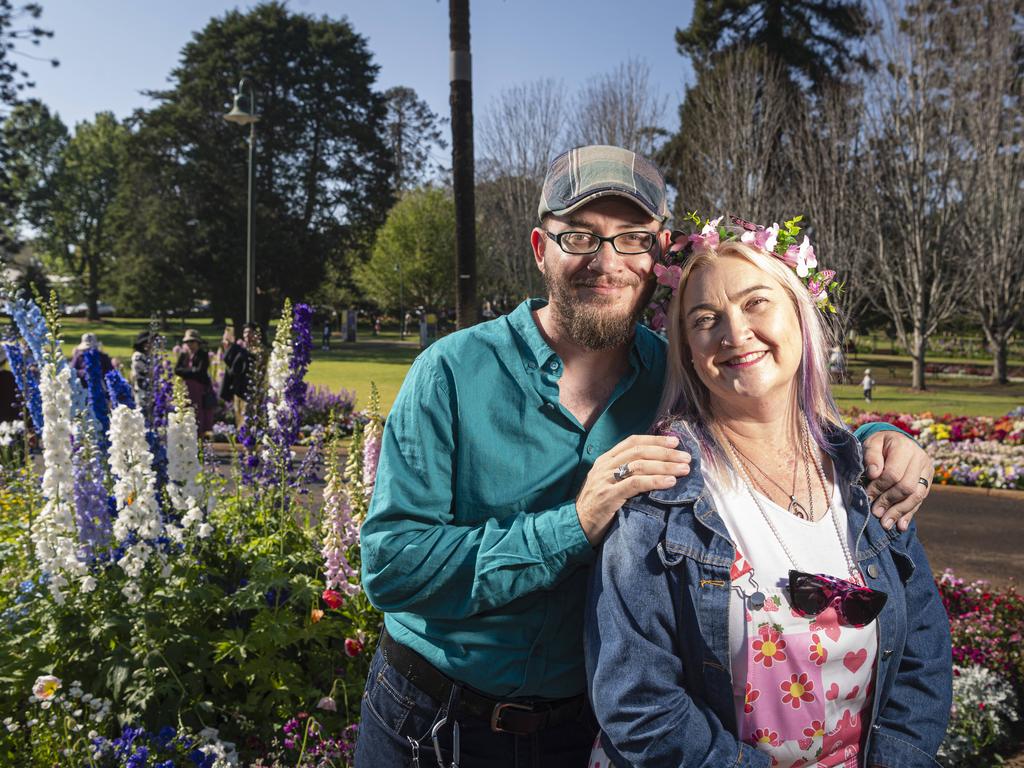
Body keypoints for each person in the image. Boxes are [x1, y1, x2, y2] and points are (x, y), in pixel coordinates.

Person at [356, 145, 935, 768]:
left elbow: (774, 413)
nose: (605, 262)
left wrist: (878, 438)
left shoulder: (679, 372)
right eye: (579, 236)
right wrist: (573, 524)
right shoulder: (451, 372)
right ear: (539, 247)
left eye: (630, 239)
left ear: (658, 253)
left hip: (582, 728)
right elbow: (391, 568)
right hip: (435, 717)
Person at [585, 220, 950, 767]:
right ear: (687, 352)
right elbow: (640, 707)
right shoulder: (659, 499)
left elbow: (923, 654)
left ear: (801, 317)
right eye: (705, 320)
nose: (734, 333)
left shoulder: (866, 479)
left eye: (756, 303)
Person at [175, 329, 215, 434]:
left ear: (197, 343)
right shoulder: (184, 355)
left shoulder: (203, 354)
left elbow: (200, 371)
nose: (190, 345)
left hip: (199, 388)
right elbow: (177, 370)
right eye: (188, 342)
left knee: (198, 410)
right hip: (186, 388)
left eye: (192, 342)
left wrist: (186, 372)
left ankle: (200, 432)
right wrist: (191, 371)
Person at [221, 324, 254, 428]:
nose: (247, 335)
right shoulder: (239, 349)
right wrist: (229, 346)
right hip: (238, 389)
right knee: (238, 418)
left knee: (247, 420)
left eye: (250, 332)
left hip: (251, 390)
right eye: (245, 332)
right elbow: (228, 363)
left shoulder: (258, 351)